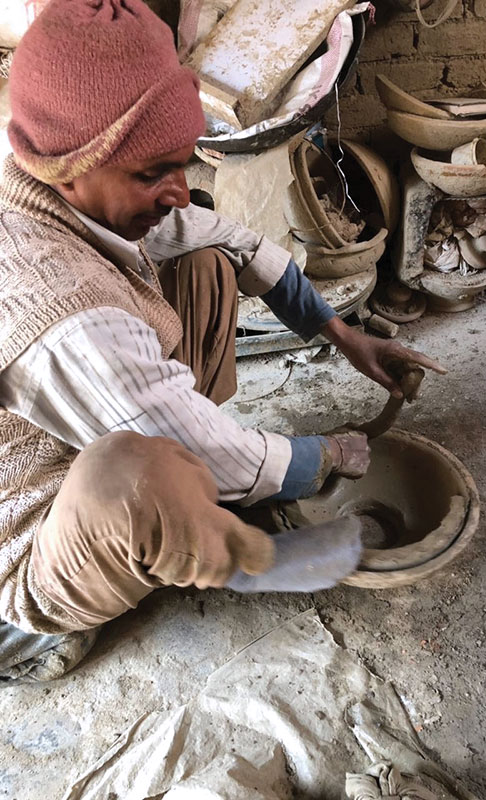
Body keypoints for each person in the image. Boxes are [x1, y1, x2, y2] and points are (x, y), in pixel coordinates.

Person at [0, 0, 444, 682]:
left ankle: (188, 473)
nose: (180, 193)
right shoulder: (55, 303)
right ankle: (27, 631)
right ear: (71, 164)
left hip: (93, 415)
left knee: (205, 262)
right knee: (137, 478)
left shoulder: (64, 191)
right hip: (28, 533)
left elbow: (230, 238)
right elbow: (208, 454)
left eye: (182, 164)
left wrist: (343, 334)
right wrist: (327, 454)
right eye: (153, 173)